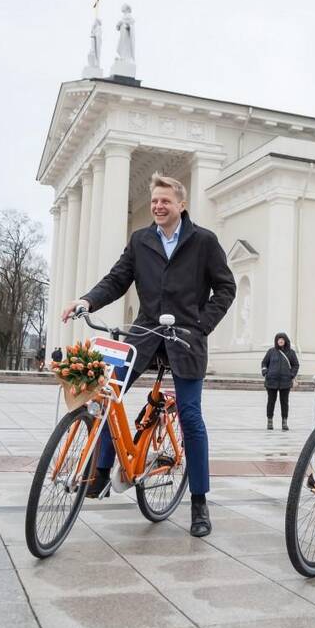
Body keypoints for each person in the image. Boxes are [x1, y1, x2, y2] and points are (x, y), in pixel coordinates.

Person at [62, 173, 235, 537]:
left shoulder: (204, 241)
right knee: (110, 396)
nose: (158, 206)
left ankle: (199, 502)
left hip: (186, 338)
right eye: (155, 200)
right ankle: (102, 473)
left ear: (181, 205)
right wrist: (86, 300)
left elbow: (226, 287)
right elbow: (117, 278)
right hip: (144, 334)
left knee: (190, 418)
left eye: (165, 201)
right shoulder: (141, 240)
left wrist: (202, 325)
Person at [261, 333, 299, 431]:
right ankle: (269, 421)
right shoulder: (271, 351)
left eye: (282, 339)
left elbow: (295, 365)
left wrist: (291, 374)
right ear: (276, 341)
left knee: (284, 403)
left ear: (285, 340)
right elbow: (264, 362)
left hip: (285, 382)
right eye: (279, 339)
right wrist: (265, 372)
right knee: (271, 402)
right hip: (271, 381)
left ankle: (284, 422)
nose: (280, 341)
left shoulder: (291, 352)